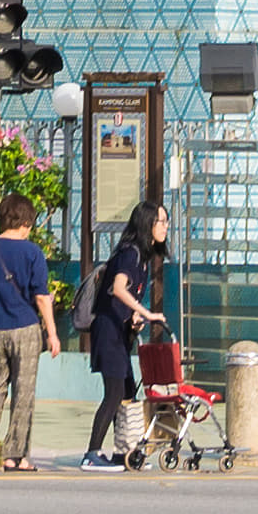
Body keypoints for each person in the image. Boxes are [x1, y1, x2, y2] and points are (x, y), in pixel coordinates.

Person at [79, 194, 173, 470]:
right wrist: (147, 313)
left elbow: (122, 296)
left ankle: (124, 453)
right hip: (107, 333)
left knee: (128, 391)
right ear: (147, 224)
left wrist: (134, 318)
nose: (165, 227)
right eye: (161, 222)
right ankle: (92, 454)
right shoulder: (130, 253)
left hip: (119, 334)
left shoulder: (142, 258)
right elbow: (118, 288)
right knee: (114, 392)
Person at [0, 194, 55, 472]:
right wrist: (52, 334)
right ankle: (15, 456)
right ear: (27, 222)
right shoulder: (32, 253)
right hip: (24, 328)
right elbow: (41, 297)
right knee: (23, 393)